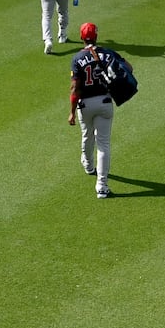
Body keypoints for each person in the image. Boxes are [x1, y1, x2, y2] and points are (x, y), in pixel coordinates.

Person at [67, 22, 118, 198]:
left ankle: (89, 166)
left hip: (85, 105)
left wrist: (72, 112)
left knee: (87, 135)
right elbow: (128, 68)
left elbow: (75, 89)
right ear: (96, 36)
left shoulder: (77, 59)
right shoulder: (108, 53)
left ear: (82, 37)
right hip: (105, 103)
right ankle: (102, 187)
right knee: (103, 144)